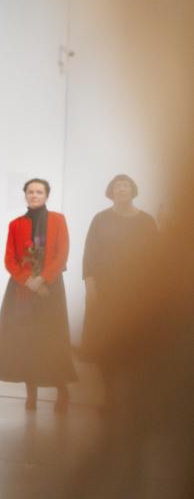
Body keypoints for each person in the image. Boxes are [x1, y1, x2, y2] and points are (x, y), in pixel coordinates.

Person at [0, 178, 77, 411]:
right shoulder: (15, 224)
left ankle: (62, 391)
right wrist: (29, 281)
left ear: (47, 196)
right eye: (31, 192)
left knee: (52, 340)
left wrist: (42, 279)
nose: (34, 195)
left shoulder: (58, 220)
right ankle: (31, 395)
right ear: (25, 195)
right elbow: (9, 259)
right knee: (27, 341)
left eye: (39, 192)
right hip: (22, 289)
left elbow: (62, 255)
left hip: (51, 288)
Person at [81, 174, 159, 411]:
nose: (122, 189)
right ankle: (110, 396)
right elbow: (89, 255)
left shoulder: (146, 221)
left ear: (133, 190)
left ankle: (134, 398)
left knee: (136, 346)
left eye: (126, 186)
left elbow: (156, 259)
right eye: (117, 186)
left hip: (136, 293)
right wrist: (90, 287)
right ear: (111, 191)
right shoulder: (100, 219)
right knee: (106, 346)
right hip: (105, 292)